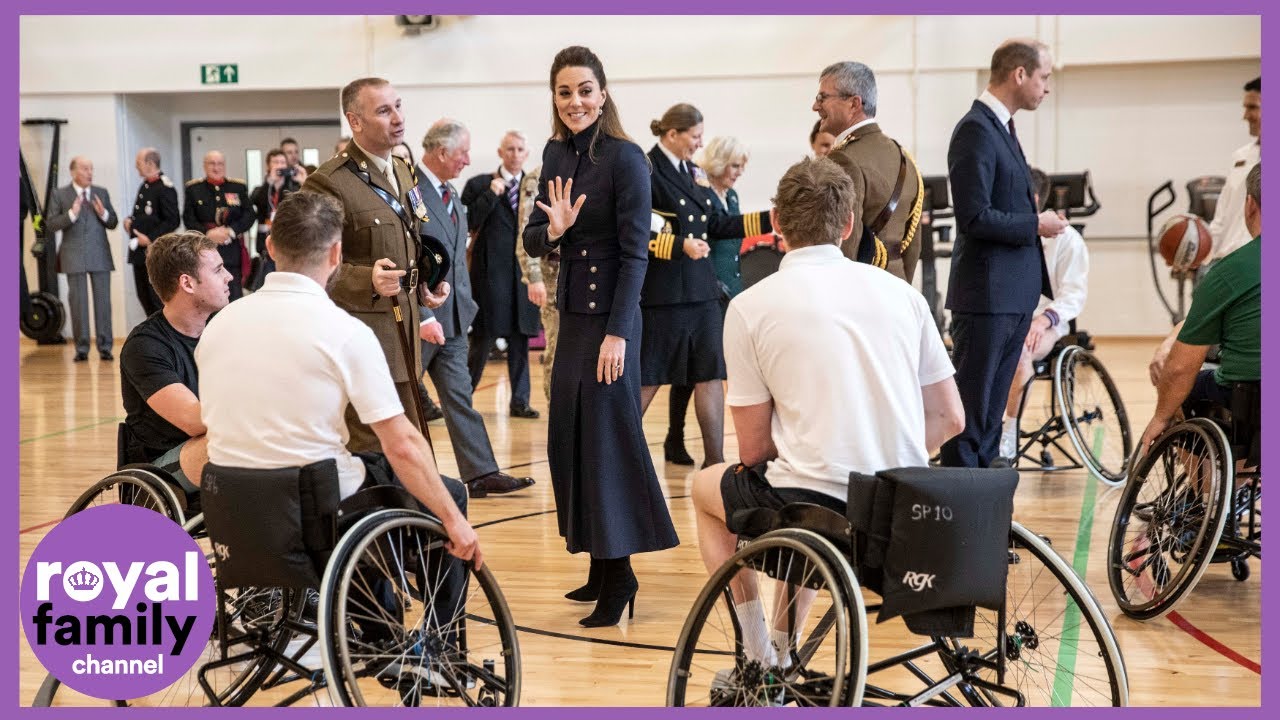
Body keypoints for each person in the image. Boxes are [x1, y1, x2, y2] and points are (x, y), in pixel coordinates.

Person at [690, 156, 963, 668]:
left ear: (776, 222)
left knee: (709, 488)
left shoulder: (750, 306)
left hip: (817, 511)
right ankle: (783, 648)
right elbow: (951, 419)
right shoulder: (903, 295)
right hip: (903, 506)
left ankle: (759, 654)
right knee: (804, 475)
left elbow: (752, 451)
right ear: (848, 224)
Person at [195, 190, 479, 649]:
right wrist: (454, 522)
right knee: (443, 493)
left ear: (269, 247)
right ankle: (429, 644)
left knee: (362, 474)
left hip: (232, 504)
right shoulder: (344, 332)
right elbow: (403, 443)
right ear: (336, 252)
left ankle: (377, 628)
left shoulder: (220, 324)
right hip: (313, 508)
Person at [524, 45, 679, 628]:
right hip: (573, 321)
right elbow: (536, 237)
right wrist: (555, 231)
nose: (575, 102)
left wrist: (619, 335)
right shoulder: (554, 152)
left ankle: (622, 576)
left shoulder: (626, 158)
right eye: (564, 92)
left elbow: (637, 254)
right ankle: (597, 564)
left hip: (613, 322)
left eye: (585, 90)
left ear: (603, 93)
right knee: (571, 439)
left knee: (608, 444)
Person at [941, 39, 1068, 470]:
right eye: (1044, 77)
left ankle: (983, 517)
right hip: (987, 297)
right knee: (971, 417)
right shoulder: (975, 129)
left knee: (991, 419)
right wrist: (1036, 223)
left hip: (1011, 296)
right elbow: (974, 216)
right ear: (1019, 74)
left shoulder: (1003, 127)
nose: (1046, 88)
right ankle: (961, 518)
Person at [302, 77, 447, 453]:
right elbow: (309, 264)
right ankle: (378, 511)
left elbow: (410, 240)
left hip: (407, 330)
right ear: (355, 121)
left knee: (408, 440)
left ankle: (406, 510)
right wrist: (366, 279)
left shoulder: (401, 170)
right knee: (374, 446)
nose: (397, 117)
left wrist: (426, 283)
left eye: (398, 106)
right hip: (365, 333)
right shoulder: (329, 183)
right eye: (384, 111)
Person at [641, 103, 773, 469]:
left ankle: (715, 460)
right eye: (695, 137)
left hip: (701, 289)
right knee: (649, 376)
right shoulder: (647, 170)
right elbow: (638, 228)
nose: (699, 144)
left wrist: (768, 220)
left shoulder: (693, 172)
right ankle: (617, 452)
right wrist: (679, 243)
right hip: (664, 290)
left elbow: (716, 223)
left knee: (709, 372)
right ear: (672, 134)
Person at [415, 119, 537, 499]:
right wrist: (424, 315)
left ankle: (481, 473)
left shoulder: (449, 192)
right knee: (398, 402)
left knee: (460, 398)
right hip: (422, 320)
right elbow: (405, 257)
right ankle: (395, 475)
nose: (469, 160)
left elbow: (456, 252)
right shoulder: (410, 193)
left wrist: (463, 308)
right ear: (441, 153)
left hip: (452, 318)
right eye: (463, 152)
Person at [1141, 163, 1261, 453]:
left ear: (1249, 204)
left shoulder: (1229, 271)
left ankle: (1205, 492)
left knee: (1180, 383)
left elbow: (1181, 367)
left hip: (1253, 399)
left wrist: (1160, 416)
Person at [120, 230, 232, 490]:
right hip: (162, 472)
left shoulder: (224, 329)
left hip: (215, 450)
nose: (229, 277)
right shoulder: (144, 346)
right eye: (218, 270)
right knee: (227, 442)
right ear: (187, 283)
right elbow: (194, 421)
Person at [1000, 168, 1089, 461]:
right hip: (1006, 315)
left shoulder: (1067, 239)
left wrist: (1043, 319)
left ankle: (1008, 435)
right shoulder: (1005, 231)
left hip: (1046, 320)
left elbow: (1073, 294)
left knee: (1021, 353)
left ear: (1033, 198)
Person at [814, 61, 924, 282]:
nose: (815, 106)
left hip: (859, 289)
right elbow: (913, 245)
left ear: (854, 104)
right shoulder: (903, 156)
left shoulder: (843, 159)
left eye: (822, 98)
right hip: (897, 284)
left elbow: (844, 242)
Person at [462, 130, 543, 419]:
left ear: (527, 154)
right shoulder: (479, 184)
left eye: (520, 149)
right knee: (482, 340)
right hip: (489, 278)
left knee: (521, 340)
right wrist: (490, 195)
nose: (515, 154)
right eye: (509, 149)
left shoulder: (536, 188)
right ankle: (463, 397)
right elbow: (468, 221)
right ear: (500, 152)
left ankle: (520, 401)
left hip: (522, 278)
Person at [391, 140, 445, 423]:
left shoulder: (415, 197)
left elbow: (422, 246)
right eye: (395, 158)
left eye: (406, 159)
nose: (401, 164)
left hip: (413, 297)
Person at [44, 156, 118, 361]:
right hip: (73, 255)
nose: (89, 173)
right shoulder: (59, 194)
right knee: (78, 303)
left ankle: (105, 347)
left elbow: (113, 222)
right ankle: (82, 348)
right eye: (85, 168)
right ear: (73, 172)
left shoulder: (101, 192)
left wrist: (103, 214)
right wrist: (71, 214)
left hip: (100, 254)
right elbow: (50, 224)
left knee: (103, 303)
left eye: (91, 169)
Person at [1203, 77, 1261, 271]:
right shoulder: (1240, 157)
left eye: (1252, 107)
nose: (1246, 115)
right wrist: (1195, 250)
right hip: (1224, 264)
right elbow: (1221, 220)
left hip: (1255, 268)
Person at [183, 150, 255, 300]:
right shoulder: (194, 189)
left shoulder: (237, 187)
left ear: (225, 166)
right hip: (204, 251)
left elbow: (249, 215)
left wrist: (231, 231)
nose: (216, 168)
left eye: (220, 164)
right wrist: (208, 234)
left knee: (234, 296)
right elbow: (188, 219)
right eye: (212, 163)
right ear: (204, 166)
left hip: (232, 251)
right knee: (207, 296)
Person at [515, 165, 559, 402]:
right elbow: (526, 231)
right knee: (558, 350)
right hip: (554, 274)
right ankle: (558, 418)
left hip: (590, 274)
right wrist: (534, 277)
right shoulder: (539, 176)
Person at [124, 147, 180, 317]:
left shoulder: (165, 187)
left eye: (138, 163)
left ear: (150, 163)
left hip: (154, 251)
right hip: (140, 253)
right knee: (144, 298)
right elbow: (146, 217)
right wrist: (130, 222)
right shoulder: (146, 185)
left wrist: (149, 239)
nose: (136, 167)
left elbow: (173, 220)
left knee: (156, 300)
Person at [698, 136, 751, 300]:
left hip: (733, 289)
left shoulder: (732, 196)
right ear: (719, 163)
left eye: (742, 167)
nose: (740, 172)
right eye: (735, 166)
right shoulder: (701, 194)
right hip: (709, 291)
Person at [247, 149, 300, 287]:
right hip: (265, 244)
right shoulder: (262, 189)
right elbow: (255, 201)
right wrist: (269, 182)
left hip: (288, 242)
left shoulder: (294, 188)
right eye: (275, 162)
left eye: (282, 162)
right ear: (268, 166)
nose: (279, 165)